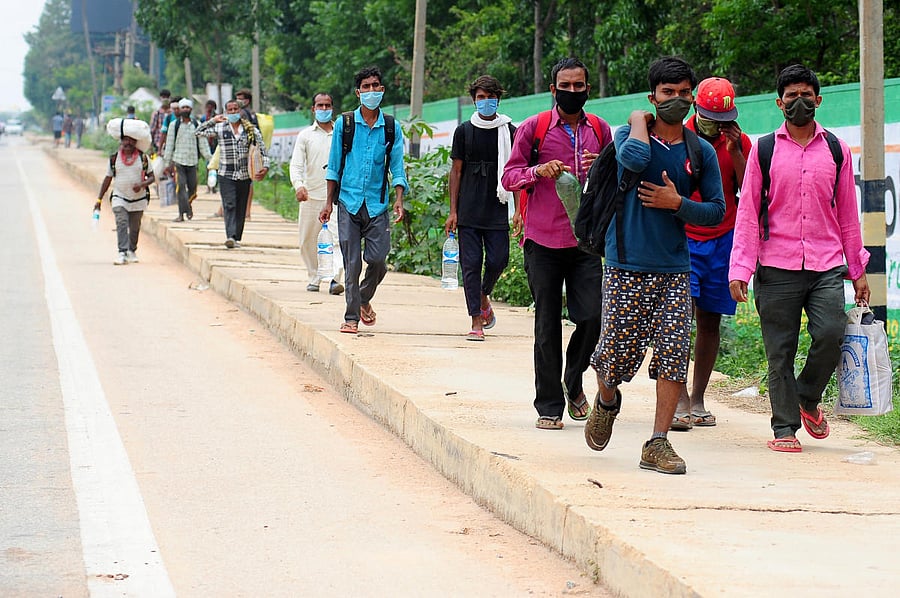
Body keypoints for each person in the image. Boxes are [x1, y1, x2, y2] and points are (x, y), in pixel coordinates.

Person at [587, 57, 724, 475]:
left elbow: (716, 210)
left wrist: (678, 204)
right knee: (615, 354)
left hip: (674, 269)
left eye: (685, 93)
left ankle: (658, 442)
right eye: (668, 93)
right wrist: (636, 118)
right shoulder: (630, 134)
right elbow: (631, 159)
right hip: (626, 263)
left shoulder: (699, 151)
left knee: (673, 352)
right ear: (653, 97)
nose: (678, 100)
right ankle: (607, 400)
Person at [728, 64, 870, 454]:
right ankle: (785, 427)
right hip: (776, 266)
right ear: (779, 103)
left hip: (826, 265)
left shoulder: (837, 150)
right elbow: (748, 212)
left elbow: (846, 214)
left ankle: (807, 396)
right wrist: (740, 268)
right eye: (791, 96)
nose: (799, 102)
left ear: (818, 100)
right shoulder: (764, 150)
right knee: (780, 350)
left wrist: (857, 270)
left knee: (831, 332)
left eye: (806, 94)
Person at [500, 57, 611, 430]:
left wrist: (601, 167)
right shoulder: (535, 129)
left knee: (593, 317)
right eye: (566, 85)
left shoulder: (600, 129)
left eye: (579, 86)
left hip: (586, 243)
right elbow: (510, 176)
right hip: (543, 239)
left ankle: (573, 378)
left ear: (588, 90)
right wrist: (537, 171)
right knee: (546, 324)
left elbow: (616, 179)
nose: (573, 92)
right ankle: (548, 406)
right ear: (553, 89)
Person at [670, 77, 751, 431]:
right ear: (695, 109)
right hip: (683, 238)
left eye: (722, 118)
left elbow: (750, 193)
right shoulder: (677, 136)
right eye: (708, 116)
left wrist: (735, 152)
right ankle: (679, 397)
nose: (715, 124)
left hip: (723, 239)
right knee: (678, 319)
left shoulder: (740, 141)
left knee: (709, 320)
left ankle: (699, 396)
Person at [320, 66, 408, 334]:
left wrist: (399, 199)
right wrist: (327, 203)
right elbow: (334, 165)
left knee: (379, 260)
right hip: (348, 202)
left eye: (375, 86)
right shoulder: (344, 125)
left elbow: (398, 167)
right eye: (366, 87)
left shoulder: (391, 127)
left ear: (382, 90)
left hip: (377, 205)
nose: (371, 91)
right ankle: (351, 317)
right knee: (352, 263)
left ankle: (363, 298)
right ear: (358, 93)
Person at [445, 75, 515, 341]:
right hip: (469, 209)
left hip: (498, 206)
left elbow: (516, 172)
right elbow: (456, 171)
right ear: (474, 100)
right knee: (471, 264)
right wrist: (453, 211)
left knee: (499, 259)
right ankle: (476, 319)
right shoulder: (464, 130)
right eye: (481, 97)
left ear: (498, 98)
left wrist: (519, 210)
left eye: (491, 97)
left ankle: (484, 294)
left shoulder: (509, 131)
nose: (486, 102)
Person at [195, 98, 270, 248]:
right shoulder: (220, 128)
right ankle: (230, 236)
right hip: (226, 174)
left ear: (240, 111)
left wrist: (265, 167)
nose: (233, 112)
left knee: (241, 206)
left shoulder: (251, 130)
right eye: (230, 110)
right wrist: (213, 121)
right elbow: (198, 132)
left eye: (236, 109)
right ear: (226, 112)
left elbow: (263, 150)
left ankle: (236, 236)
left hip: (244, 174)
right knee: (229, 204)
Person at [290, 92, 345, 296]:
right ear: (313, 109)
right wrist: (299, 185)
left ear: (333, 108)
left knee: (337, 239)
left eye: (327, 105)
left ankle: (333, 279)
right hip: (310, 196)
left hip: (336, 197)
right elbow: (296, 164)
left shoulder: (340, 133)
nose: (324, 109)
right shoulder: (305, 135)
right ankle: (314, 276)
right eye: (320, 106)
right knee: (307, 239)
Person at [94, 131, 156, 265]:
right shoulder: (114, 159)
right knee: (121, 222)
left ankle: (131, 250)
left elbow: (152, 177)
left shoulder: (143, 158)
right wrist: (99, 199)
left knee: (135, 227)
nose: (128, 143)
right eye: (125, 140)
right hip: (119, 196)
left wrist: (141, 184)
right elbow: (107, 179)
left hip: (139, 199)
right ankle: (122, 252)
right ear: (121, 142)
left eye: (131, 140)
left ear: (135, 142)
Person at [163, 98, 211, 222]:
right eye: (183, 107)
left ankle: (187, 205)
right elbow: (169, 144)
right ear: (179, 109)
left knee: (193, 189)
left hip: (193, 162)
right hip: (178, 161)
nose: (185, 110)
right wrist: (166, 163)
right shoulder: (174, 125)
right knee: (180, 187)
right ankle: (181, 214)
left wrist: (210, 160)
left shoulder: (197, 125)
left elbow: (203, 143)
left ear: (190, 109)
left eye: (187, 108)